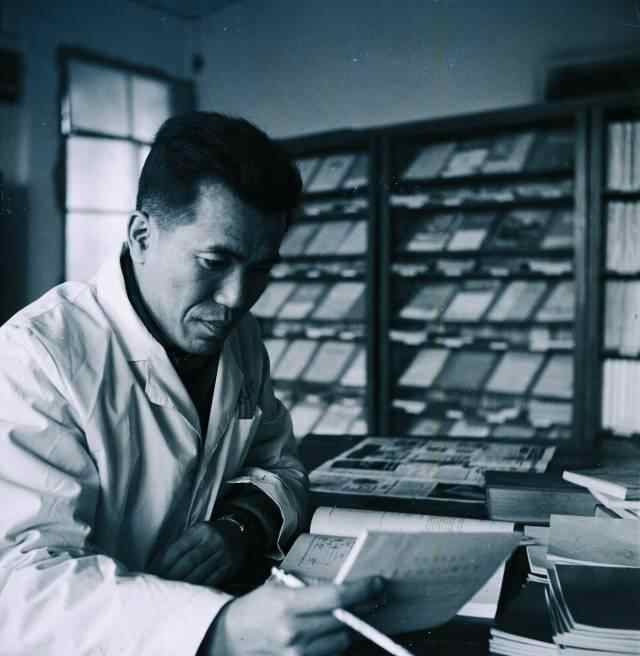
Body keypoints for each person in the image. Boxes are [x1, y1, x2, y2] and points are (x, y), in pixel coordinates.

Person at [0, 112, 382, 655]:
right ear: (141, 236)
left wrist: (240, 526)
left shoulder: (239, 336)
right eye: (214, 261)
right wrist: (217, 628)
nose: (236, 298)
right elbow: (23, 590)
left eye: (260, 269)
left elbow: (281, 465)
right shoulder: (34, 357)